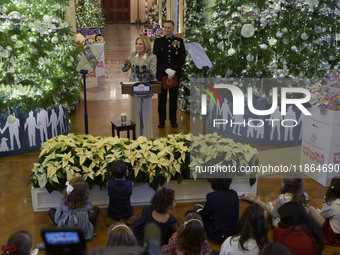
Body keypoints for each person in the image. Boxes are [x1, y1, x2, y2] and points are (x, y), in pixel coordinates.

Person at [240, 172, 309, 226]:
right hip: (300, 224)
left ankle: (255, 201)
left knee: (270, 205)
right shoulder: (305, 195)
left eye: (282, 182)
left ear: (285, 184)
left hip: (283, 224)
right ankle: (256, 201)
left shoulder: (282, 197)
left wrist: (273, 204)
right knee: (273, 204)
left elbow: (274, 214)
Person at [153, 20, 186, 128]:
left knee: (173, 99)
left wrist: (174, 70)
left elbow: (182, 58)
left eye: (169, 28)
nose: (167, 29)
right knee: (161, 99)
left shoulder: (179, 41)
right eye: (165, 28)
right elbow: (155, 58)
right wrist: (165, 70)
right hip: (162, 75)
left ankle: (173, 120)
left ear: (173, 29)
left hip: (174, 75)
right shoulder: (158, 41)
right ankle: (161, 120)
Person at [122, 35, 156, 138]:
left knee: (145, 114)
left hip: (146, 89)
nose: (138, 46)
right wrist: (126, 64)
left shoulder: (152, 57)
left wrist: (150, 72)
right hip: (133, 88)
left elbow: (153, 75)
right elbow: (124, 70)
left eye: (140, 44)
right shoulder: (132, 55)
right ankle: (135, 136)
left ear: (146, 45)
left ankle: (147, 137)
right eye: (137, 44)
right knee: (135, 113)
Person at [194, 178, 239, 243]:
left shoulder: (211, 196)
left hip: (219, 235)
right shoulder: (234, 194)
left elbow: (205, 216)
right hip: (234, 233)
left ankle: (199, 210)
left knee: (192, 214)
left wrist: (200, 212)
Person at [309, 178, 340, 246]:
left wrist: (322, 207)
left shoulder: (332, 204)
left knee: (310, 209)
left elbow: (323, 215)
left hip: (334, 235)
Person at [107, 160, 134, 224]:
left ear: (110, 172)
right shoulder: (130, 184)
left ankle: (115, 221)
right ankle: (125, 220)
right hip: (127, 212)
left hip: (113, 213)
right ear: (127, 172)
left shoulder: (108, 184)